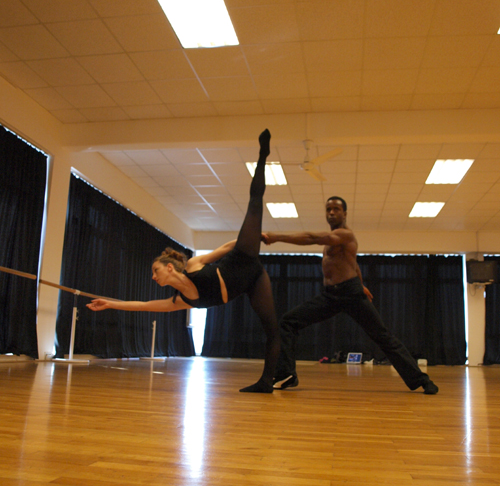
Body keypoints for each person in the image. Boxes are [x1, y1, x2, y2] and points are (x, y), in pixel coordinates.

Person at [87, 129, 280, 393]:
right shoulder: (179, 302)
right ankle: (267, 383)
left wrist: (252, 237)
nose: (153, 277)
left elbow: (224, 249)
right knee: (272, 329)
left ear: (169, 267)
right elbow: (143, 306)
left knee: (254, 204)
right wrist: (110, 303)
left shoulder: (194, 265)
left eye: (155, 271)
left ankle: (262, 155)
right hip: (253, 281)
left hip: (243, 257)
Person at [262, 196, 439, 395]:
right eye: (328, 209)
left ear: (344, 213)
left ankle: (422, 380)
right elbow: (353, 264)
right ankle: (287, 374)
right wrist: (362, 284)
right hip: (330, 296)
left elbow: (312, 238)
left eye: (336, 209)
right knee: (288, 322)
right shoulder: (335, 239)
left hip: (350, 294)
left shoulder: (345, 234)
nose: (331, 212)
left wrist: (277, 237)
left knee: (383, 337)